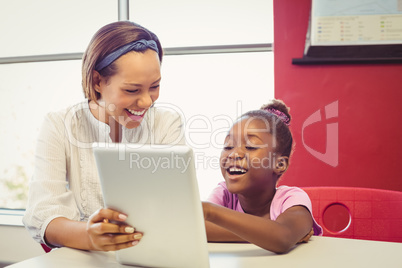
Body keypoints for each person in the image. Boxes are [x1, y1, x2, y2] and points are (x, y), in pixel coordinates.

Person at [23, 21, 185, 252]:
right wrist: (89, 236)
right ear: (98, 81)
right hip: (81, 258)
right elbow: (43, 214)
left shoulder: (166, 123)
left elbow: (177, 204)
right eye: (132, 90)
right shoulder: (59, 125)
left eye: (155, 86)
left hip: (152, 255)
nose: (147, 101)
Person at [202, 99, 323, 254]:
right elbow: (198, 229)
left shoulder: (292, 198)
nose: (234, 154)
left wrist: (209, 212)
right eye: (228, 146)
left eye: (251, 146)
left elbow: (281, 238)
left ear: (279, 164)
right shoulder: (225, 193)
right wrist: (268, 232)